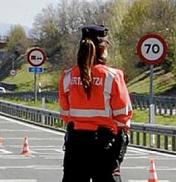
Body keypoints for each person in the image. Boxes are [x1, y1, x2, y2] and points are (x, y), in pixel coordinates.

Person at [58, 24, 133, 182]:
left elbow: (65, 115)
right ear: (103, 47)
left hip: (76, 146)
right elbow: (123, 115)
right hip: (105, 146)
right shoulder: (112, 76)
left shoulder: (67, 76)